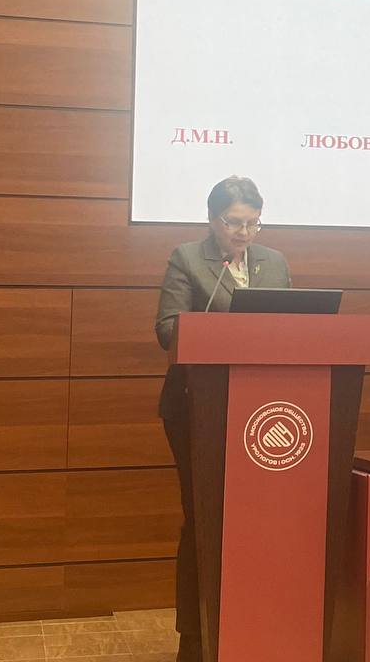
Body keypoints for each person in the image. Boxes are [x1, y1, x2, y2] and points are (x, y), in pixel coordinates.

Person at [155, 176, 291, 662]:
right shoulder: (188, 259)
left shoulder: (275, 263)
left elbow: (294, 328)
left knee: (260, 521)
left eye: (253, 223)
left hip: (263, 410)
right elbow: (167, 328)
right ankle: (194, 639)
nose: (244, 233)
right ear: (213, 220)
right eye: (235, 223)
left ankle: (255, 626)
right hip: (198, 407)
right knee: (204, 520)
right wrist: (218, 331)